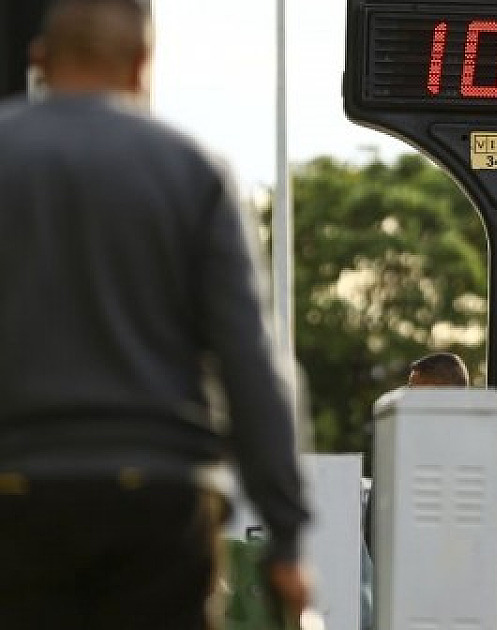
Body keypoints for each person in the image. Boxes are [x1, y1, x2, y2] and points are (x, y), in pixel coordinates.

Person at [0, 1, 310, 628]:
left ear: (40, 61)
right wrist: (287, 535)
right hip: (159, 503)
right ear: (142, 64)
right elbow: (251, 363)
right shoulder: (193, 171)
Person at [406, 352, 497, 601]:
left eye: (415, 390)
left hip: (437, 593)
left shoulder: (407, 448)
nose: (407, 398)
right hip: (477, 593)